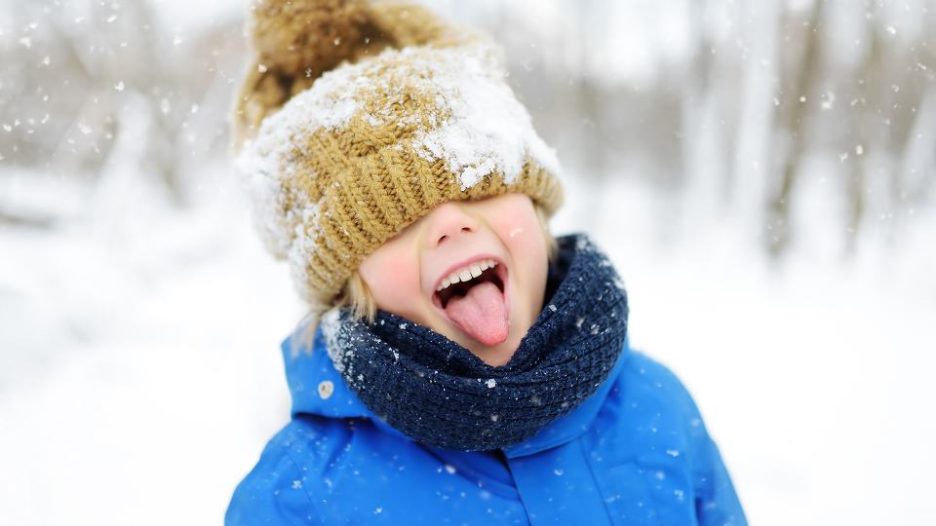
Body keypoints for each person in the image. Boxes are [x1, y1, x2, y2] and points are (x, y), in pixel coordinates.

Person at [226, 1, 747, 524]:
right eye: (396, 221)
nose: (451, 223)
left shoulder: (656, 406)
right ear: (345, 282)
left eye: (478, 182)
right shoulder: (300, 497)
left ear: (537, 208)